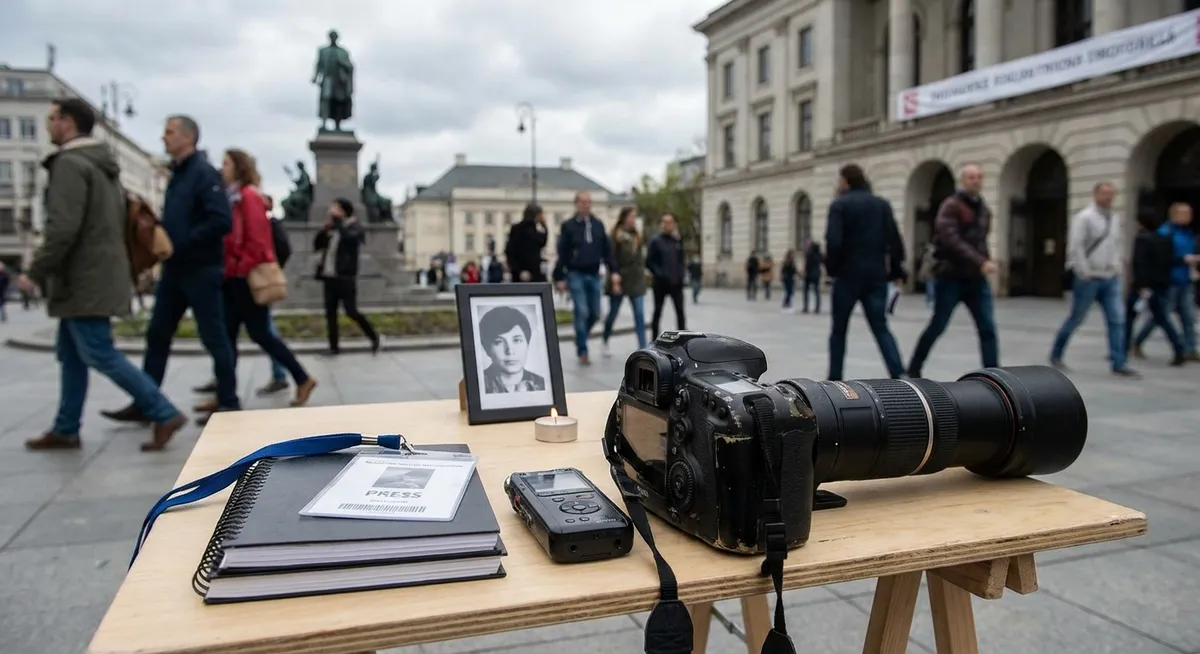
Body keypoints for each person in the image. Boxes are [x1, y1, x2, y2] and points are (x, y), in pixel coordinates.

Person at [22, 98, 186, 450]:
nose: (49, 125)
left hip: (83, 277)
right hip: (96, 273)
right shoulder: (100, 165)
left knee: (98, 351)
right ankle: (66, 427)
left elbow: (63, 227)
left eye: (52, 119)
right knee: (71, 354)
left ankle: (163, 410)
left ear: (68, 122)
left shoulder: (70, 164)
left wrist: (35, 271)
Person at [102, 114, 241, 427]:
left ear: (189, 137)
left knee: (214, 336)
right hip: (174, 270)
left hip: (201, 269)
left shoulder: (204, 174)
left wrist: (180, 243)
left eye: (170, 132)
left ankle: (230, 401)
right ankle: (146, 403)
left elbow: (221, 221)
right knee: (158, 334)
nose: (163, 137)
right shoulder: (177, 175)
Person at [210, 149, 318, 410]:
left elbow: (258, 243)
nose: (221, 168)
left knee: (259, 334)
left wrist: (238, 266)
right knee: (228, 337)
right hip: (233, 276)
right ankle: (225, 396)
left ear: (239, 167)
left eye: (226, 163)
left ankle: (302, 378)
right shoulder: (233, 197)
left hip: (243, 277)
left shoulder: (248, 197)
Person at [907, 164, 999, 378]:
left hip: (975, 279)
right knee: (938, 325)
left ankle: (995, 374)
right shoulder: (951, 206)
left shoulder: (983, 208)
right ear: (962, 181)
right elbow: (951, 240)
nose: (975, 181)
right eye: (971, 177)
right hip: (951, 277)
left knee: (987, 329)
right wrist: (980, 261)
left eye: (979, 177)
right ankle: (914, 368)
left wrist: (985, 260)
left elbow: (981, 241)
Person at [823, 164, 907, 381]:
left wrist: (832, 270)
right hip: (876, 276)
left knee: (839, 330)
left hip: (847, 276)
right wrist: (896, 271)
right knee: (881, 327)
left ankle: (835, 378)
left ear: (845, 181)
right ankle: (898, 372)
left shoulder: (839, 205)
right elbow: (895, 241)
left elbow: (833, 241)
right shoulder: (882, 205)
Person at [1048, 182, 1139, 377]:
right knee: (1076, 318)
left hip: (1109, 277)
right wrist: (1084, 271)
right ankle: (1056, 353)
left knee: (1117, 319)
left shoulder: (1114, 218)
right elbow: (1077, 245)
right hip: (1089, 277)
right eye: (1105, 194)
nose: (1108, 198)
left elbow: (1116, 243)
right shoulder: (1085, 217)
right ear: (1095, 194)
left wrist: (1117, 266)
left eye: (1111, 194)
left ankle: (1119, 362)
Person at [553, 191, 617, 365]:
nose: (586, 205)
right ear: (576, 204)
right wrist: (559, 276)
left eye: (588, 202)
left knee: (595, 313)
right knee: (581, 311)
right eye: (582, 202)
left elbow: (606, 249)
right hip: (576, 273)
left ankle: (580, 336)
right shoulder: (569, 226)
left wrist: (614, 270)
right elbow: (563, 252)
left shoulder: (597, 225)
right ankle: (583, 349)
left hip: (594, 273)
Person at [1131, 202, 1200, 361]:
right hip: (1170, 279)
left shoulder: (1188, 232)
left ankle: (1190, 349)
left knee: (1188, 316)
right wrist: (1183, 259)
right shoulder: (1165, 232)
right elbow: (1162, 258)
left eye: (1189, 213)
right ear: (1174, 214)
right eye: (1184, 213)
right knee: (1160, 316)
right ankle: (1138, 341)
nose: (1188, 216)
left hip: (1185, 279)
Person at [314, 198, 381, 356]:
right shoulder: (333, 228)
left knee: (351, 311)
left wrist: (337, 222)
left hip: (345, 276)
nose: (331, 210)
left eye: (335, 208)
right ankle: (333, 347)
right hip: (329, 275)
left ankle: (374, 337)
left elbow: (349, 238)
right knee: (330, 313)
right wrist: (323, 231)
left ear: (344, 211)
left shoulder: (354, 227)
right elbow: (317, 245)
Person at [1125, 214, 1186, 366]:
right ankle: (1178, 348)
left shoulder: (1142, 240)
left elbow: (1139, 263)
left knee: (1129, 316)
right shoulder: (1165, 240)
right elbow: (1168, 262)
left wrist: (1141, 284)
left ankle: (1122, 347)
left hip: (1144, 285)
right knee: (1162, 319)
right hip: (1160, 285)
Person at [602, 207, 648, 354]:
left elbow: (640, 257)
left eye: (635, 216)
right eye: (631, 216)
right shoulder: (616, 235)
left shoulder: (637, 236)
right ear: (624, 218)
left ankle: (643, 348)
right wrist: (614, 276)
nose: (634, 219)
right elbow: (611, 257)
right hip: (620, 278)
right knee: (613, 313)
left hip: (636, 279)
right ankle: (605, 338)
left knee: (639, 314)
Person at [479, 305, 546, 393]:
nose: (510, 351)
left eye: (517, 340)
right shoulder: (478, 385)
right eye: (498, 342)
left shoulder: (542, 385)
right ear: (487, 349)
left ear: (527, 344)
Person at [646, 213, 687, 339]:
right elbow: (649, 261)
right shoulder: (655, 241)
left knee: (680, 311)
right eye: (665, 222)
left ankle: (683, 339)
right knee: (657, 312)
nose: (668, 225)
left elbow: (681, 259)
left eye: (670, 222)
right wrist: (660, 274)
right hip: (661, 283)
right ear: (661, 224)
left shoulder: (677, 241)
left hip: (676, 283)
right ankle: (654, 339)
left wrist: (681, 274)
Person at [506, 203, 549, 282]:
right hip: (527, 270)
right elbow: (542, 242)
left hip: (522, 271)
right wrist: (545, 226)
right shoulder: (531, 230)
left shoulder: (518, 228)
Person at [802, 239, 823, 313]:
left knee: (806, 291)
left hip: (809, 274)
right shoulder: (819, 255)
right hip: (816, 274)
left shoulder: (809, 254)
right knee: (817, 291)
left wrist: (804, 272)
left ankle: (806, 307)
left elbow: (807, 265)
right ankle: (817, 308)